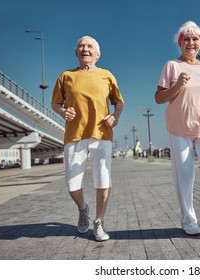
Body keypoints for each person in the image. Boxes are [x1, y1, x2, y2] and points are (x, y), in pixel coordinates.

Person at [154, 21, 200, 239]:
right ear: (180, 43)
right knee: (185, 175)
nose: (191, 42)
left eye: (195, 39)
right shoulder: (171, 66)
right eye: (186, 39)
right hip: (179, 127)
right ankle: (189, 220)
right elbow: (158, 98)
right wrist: (176, 86)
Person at [51, 36, 124, 241]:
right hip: (74, 134)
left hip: (101, 133)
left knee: (103, 178)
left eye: (90, 46)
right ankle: (83, 208)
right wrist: (62, 112)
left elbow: (118, 102)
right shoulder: (66, 76)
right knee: (72, 183)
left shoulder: (107, 76)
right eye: (81, 46)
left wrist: (114, 116)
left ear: (98, 54)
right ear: (76, 52)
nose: (85, 49)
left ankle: (99, 222)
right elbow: (55, 103)